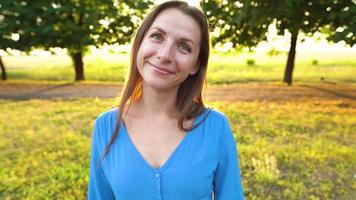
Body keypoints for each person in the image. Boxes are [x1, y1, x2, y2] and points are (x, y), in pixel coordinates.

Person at [88, 1, 244, 199]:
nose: (164, 55)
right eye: (157, 36)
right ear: (140, 43)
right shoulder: (107, 127)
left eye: (184, 47)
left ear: (195, 65)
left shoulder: (215, 127)